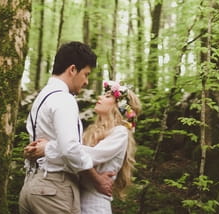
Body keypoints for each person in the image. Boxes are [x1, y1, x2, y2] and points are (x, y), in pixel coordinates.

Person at [19, 41, 114, 214]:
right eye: (85, 74)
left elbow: (39, 146)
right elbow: (70, 148)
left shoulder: (42, 97)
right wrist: (97, 179)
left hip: (31, 187)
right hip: (54, 190)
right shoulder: (64, 99)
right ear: (72, 70)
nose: (86, 81)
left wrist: (47, 148)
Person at [35, 79, 142, 214]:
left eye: (107, 96)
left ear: (119, 107)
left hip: (95, 204)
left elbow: (89, 155)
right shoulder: (91, 132)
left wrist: (47, 148)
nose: (99, 97)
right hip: (75, 200)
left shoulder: (120, 132)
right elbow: (73, 158)